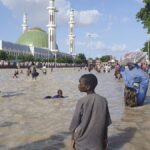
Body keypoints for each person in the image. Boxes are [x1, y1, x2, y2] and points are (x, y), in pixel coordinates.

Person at [69, 74, 112, 150]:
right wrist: (105, 139)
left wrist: (72, 138)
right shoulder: (103, 100)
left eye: (80, 83)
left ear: (88, 87)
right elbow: (106, 123)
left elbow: (75, 123)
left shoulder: (81, 101)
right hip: (97, 143)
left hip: (81, 142)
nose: (78, 85)